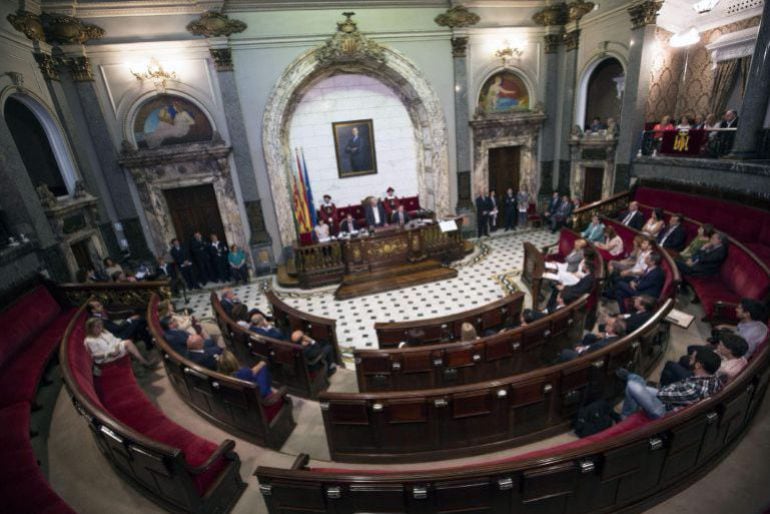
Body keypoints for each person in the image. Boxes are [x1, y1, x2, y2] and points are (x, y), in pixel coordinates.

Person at [617, 346, 722, 419]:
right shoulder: (714, 378)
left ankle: (625, 416)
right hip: (671, 399)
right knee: (636, 383)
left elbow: (662, 395)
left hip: (663, 412)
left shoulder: (693, 389)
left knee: (632, 385)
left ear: (698, 365)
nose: (689, 359)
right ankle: (631, 377)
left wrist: (665, 389)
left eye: (692, 358)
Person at [660, 332, 749, 387]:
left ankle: (667, 385)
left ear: (729, 350)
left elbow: (707, 373)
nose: (718, 346)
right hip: (708, 368)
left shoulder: (726, 370)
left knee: (670, 364)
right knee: (689, 351)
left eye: (721, 345)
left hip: (701, 380)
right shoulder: (742, 358)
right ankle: (676, 377)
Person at [84, 317, 156, 367]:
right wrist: (109, 353)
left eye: (100, 325)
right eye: (97, 326)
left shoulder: (104, 331)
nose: (100, 328)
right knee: (129, 344)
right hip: (106, 358)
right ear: (90, 328)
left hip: (115, 349)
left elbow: (114, 339)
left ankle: (142, 361)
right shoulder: (89, 340)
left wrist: (117, 346)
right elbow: (95, 355)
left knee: (129, 343)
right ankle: (144, 362)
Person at [86, 299, 153, 349]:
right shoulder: (97, 320)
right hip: (118, 337)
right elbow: (117, 329)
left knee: (139, 325)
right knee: (137, 320)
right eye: (98, 306)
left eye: (100, 304)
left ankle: (149, 344)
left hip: (117, 331)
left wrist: (128, 320)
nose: (102, 306)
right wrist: (129, 320)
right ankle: (154, 326)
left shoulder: (99, 314)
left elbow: (115, 323)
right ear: (93, 310)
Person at [557, 317, 626, 362]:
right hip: (590, 349)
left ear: (612, 329)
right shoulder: (617, 337)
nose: (605, 325)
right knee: (589, 336)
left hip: (584, 360)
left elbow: (587, 356)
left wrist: (580, 349)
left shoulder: (601, 345)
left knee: (565, 352)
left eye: (608, 324)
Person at [157, 299, 222, 345]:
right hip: (187, 330)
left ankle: (209, 341)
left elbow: (182, 318)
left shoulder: (171, 313)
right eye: (169, 304)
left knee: (201, 327)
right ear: (166, 307)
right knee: (201, 329)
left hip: (188, 325)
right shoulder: (168, 317)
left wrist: (187, 318)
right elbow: (180, 327)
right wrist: (189, 319)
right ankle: (208, 342)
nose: (171, 305)